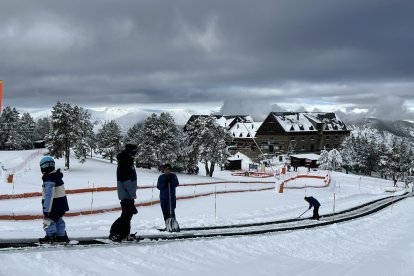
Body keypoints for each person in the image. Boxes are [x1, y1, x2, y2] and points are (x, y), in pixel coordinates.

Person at [109, 144, 138, 242]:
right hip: (126, 194)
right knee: (126, 215)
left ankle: (124, 233)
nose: (135, 154)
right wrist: (132, 193)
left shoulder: (128, 161)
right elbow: (125, 180)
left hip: (128, 193)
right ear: (130, 151)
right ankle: (114, 233)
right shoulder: (125, 162)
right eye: (134, 152)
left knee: (128, 215)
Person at [39, 156, 70, 243]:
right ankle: (61, 236)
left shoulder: (49, 179)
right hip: (61, 205)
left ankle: (50, 237)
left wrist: (46, 209)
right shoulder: (57, 176)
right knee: (58, 220)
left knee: (47, 220)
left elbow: (49, 195)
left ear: (44, 167)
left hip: (53, 206)